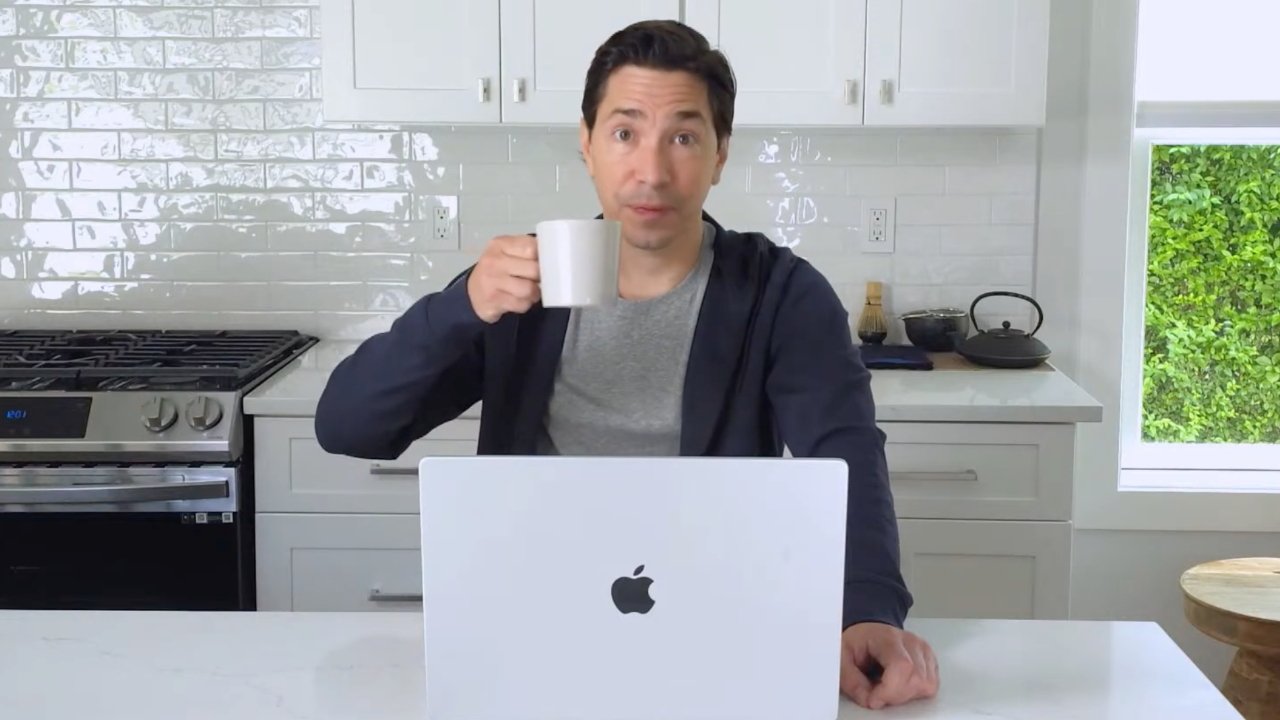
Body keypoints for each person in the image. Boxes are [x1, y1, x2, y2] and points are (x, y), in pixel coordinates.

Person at [314, 19, 939, 711]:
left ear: (720, 154)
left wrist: (869, 607)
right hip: (527, 623)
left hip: (719, 622)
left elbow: (845, 448)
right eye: (624, 132)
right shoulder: (517, 284)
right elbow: (349, 426)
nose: (651, 170)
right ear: (586, 145)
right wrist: (460, 305)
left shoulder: (781, 295)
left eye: (682, 135)